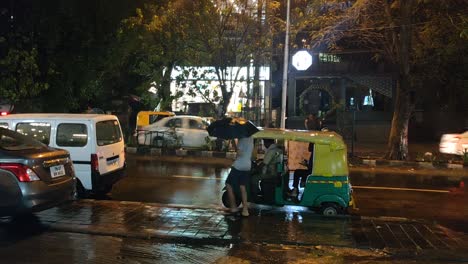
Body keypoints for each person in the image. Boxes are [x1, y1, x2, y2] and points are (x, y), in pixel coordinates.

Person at [225, 136, 254, 217]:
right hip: (247, 165)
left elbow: (239, 153)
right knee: (242, 187)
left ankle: (233, 207)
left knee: (228, 184)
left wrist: (234, 143)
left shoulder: (242, 139)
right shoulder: (251, 138)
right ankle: (245, 210)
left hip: (239, 165)